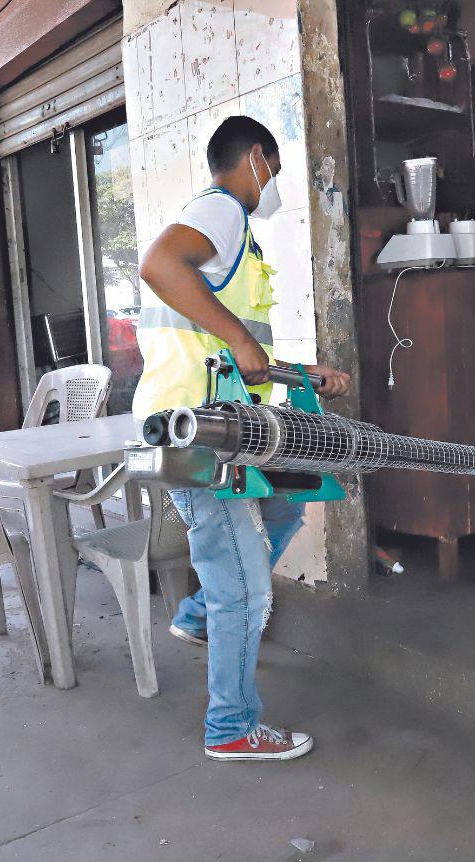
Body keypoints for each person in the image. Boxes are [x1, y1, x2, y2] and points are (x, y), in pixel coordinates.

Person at [133, 116, 352, 762]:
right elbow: (158, 266)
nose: (273, 184)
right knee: (247, 591)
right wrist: (238, 337)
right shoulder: (223, 211)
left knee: (288, 502)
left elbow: (234, 344)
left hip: (227, 424)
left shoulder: (234, 235)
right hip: (198, 431)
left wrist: (296, 371)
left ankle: (200, 614)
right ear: (256, 157)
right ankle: (231, 726)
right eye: (275, 170)